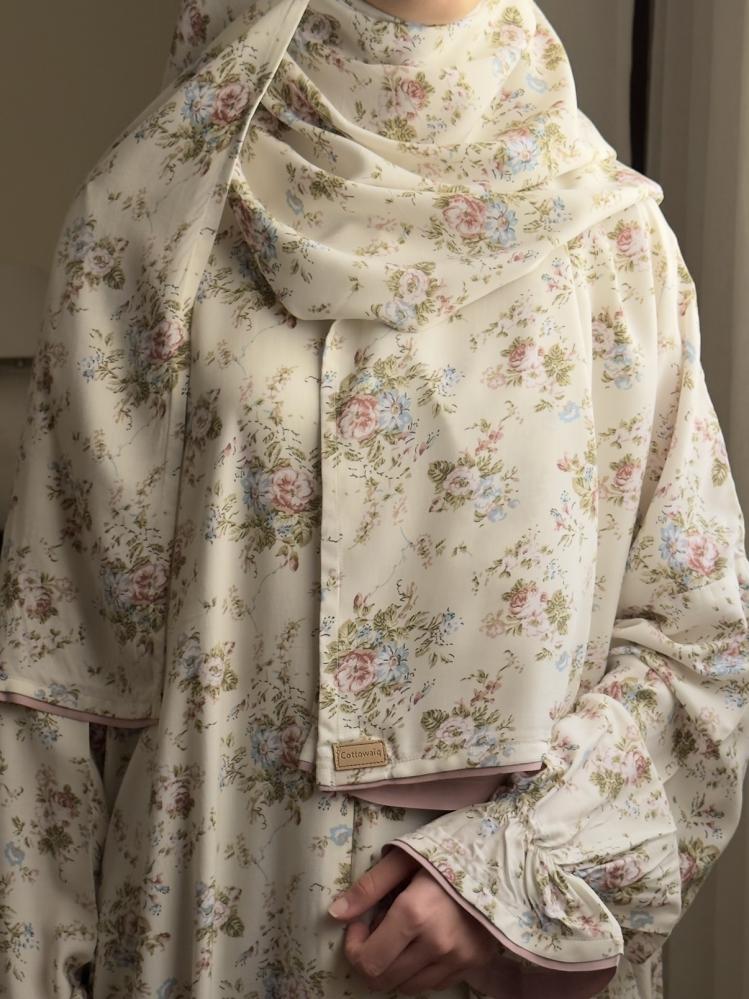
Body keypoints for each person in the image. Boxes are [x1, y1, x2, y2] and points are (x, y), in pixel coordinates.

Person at [1, 0, 747, 996]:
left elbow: (701, 646)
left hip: (493, 966)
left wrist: (505, 878)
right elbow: (50, 678)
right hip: (210, 922)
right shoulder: (153, 213)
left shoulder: (612, 246)